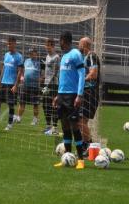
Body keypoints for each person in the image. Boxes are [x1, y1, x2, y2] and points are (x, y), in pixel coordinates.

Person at [53, 31, 86, 170]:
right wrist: (57, 95)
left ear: (64, 41)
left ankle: (81, 160)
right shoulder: (64, 56)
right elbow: (63, 78)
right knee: (65, 127)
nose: (59, 43)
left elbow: (82, 74)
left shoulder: (75, 54)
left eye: (60, 41)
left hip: (72, 96)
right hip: (62, 95)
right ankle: (66, 157)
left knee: (75, 127)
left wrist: (79, 95)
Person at [0, 36, 24, 131]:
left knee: (11, 105)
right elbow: (3, 69)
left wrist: (16, 85)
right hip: (3, 83)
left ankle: (9, 124)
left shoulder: (19, 56)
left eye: (10, 43)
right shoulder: (6, 55)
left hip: (11, 84)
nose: (9, 45)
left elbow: (20, 72)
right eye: (8, 43)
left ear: (15, 44)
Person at [78, 37, 100, 153]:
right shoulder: (85, 57)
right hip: (87, 92)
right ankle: (85, 145)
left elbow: (94, 74)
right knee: (82, 121)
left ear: (84, 45)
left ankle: (89, 146)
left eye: (79, 44)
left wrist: (81, 80)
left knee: (80, 121)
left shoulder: (91, 56)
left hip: (90, 92)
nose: (78, 46)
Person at [15, 47, 41, 126]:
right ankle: (19, 117)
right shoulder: (26, 61)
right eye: (30, 53)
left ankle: (35, 119)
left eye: (33, 52)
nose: (31, 54)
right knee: (22, 102)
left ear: (36, 53)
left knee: (35, 104)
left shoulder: (40, 63)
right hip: (25, 85)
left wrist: (41, 79)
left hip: (35, 86)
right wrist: (22, 76)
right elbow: (22, 71)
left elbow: (43, 74)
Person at [42, 38, 60, 135]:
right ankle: (48, 126)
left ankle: (55, 127)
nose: (48, 48)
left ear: (53, 46)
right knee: (45, 104)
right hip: (46, 83)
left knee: (54, 105)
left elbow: (55, 71)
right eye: (46, 45)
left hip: (53, 84)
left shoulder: (56, 57)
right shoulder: (47, 56)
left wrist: (48, 85)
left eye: (49, 46)